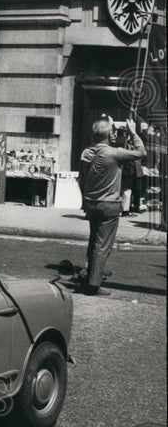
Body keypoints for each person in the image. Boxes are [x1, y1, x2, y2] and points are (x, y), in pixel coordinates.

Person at [76, 117, 146, 295]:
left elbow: (82, 179)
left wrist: (84, 200)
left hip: (91, 203)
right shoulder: (114, 153)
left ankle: (87, 273)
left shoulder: (86, 153)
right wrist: (132, 132)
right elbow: (141, 153)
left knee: (93, 241)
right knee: (102, 246)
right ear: (110, 135)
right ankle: (93, 285)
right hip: (109, 205)